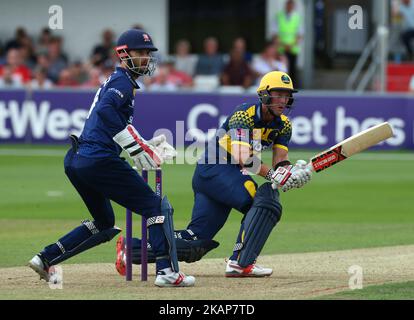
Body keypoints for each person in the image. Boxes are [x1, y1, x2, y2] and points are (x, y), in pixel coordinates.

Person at [28, 29, 195, 288]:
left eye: (148, 54)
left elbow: (110, 124)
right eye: (140, 53)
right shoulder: (122, 83)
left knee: (104, 223)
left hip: (77, 159)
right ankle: (167, 272)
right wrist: (137, 148)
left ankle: (45, 257)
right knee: (153, 206)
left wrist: (143, 143)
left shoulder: (117, 81)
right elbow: (106, 111)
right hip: (98, 160)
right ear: (124, 55)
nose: (146, 59)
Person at [115, 71, 312, 277]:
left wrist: (291, 173)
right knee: (263, 200)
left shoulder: (284, 125)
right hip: (215, 169)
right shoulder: (244, 114)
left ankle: (131, 249)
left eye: (287, 95)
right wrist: (273, 176)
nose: (283, 100)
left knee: (195, 243)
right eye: (278, 94)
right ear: (264, 94)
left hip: (224, 177)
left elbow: (280, 160)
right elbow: (243, 157)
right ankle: (240, 262)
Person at [272, 0, 304, 86]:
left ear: (293, 6)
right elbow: (275, 34)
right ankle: (281, 86)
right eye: (288, 5)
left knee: (292, 71)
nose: (289, 7)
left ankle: (291, 88)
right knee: (282, 70)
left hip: (292, 49)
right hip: (281, 49)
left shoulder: (297, 18)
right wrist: (283, 45)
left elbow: (300, 35)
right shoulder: (279, 16)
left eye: (291, 5)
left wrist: (291, 45)